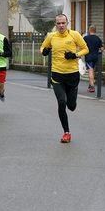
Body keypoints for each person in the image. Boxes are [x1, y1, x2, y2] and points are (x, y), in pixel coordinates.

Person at [40, 14, 89, 143]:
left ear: (67, 23)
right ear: (55, 24)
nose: (61, 26)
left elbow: (85, 49)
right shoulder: (51, 36)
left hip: (72, 74)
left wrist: (75, 55)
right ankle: (66, 132)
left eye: (63, 23)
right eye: (58, 23)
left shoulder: (74, 35)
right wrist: (44, 51)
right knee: (61, 103)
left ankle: (72, 103)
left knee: (71, 106)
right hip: (57, 75)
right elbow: (42, 47)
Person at [83, 25, 104, 92]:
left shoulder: (86, 38)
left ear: (90, 30)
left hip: (88, 56)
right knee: (93, 70)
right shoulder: (98, 39)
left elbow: (82, 46)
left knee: (90, 70)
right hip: (96, 57)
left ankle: (92, 86)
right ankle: (90, 84)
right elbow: (102, 49)